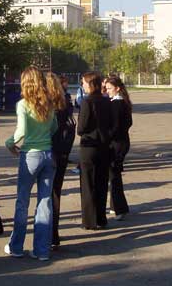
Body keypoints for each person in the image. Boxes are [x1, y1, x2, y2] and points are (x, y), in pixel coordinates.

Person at [5, 66, 57, 261]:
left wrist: (9, 143)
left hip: (30, 155)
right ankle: (41, 250)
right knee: (45, 202)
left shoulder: (23, 104)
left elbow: (21, 131)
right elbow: (55, 127)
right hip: (47, 154)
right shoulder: (49, 103)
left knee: (22, 201)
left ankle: (16, 246)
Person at [77, 72, 112, 230]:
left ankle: (89, 220)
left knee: (88, 184)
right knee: (102, 182)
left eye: (84, 83)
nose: (82, 85)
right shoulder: (106, 101)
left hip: (89, 147)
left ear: (90, 84)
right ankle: (101, 218)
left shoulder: (87, 102)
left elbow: (81, 127)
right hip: (104, 146)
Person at [46, 73, 76, 250]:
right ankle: (53, 234)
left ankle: (47, 233)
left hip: (48, 150)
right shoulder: (63, 103)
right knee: (55, 192)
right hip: (62, 150)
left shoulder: (45, 106)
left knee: (45, 194)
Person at [105, 76, 132, 221]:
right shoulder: (124, 103)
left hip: (116, 144)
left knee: (114, 176)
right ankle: (116, 206)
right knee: (114, 175)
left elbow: (114, 127)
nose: (107, 91)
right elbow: (128, 123)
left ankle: (119, 208)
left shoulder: (117, 104)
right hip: (122, 142)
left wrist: (105, 137)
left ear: (117, 88)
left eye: (109, 88)